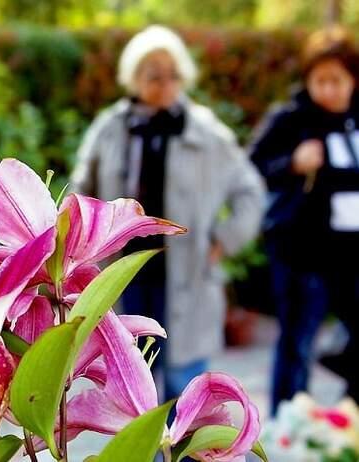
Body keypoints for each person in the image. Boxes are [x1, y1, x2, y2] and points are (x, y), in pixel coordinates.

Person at [71, 25, 265, 402]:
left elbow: (251, 192)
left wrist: (224, 240)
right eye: (153, 74)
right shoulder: (111, 128)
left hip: (187, 278)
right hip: (123, 276)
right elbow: (81, 191)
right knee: (130, 389)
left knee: (184, 391)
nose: (165, 83)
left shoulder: (206, 133)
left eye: (173, 74)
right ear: (134, 77)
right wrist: (85, 246)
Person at [250, 26, 359, 413]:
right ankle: (287, 425)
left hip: (353, 252)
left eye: (337, 80)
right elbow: (254, 166)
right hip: (303, 251)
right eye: (320, 81)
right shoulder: (291, 119)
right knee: (298, 341)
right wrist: (293, 163)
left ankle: (347, 419)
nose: (329, 89)